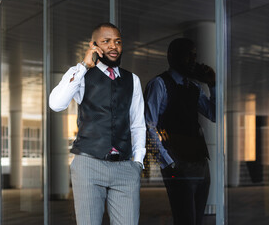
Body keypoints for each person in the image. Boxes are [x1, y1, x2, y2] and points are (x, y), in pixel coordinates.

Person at [49, 22, 146, 225]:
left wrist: (137, 162)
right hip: (89, 165)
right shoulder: (81, 74)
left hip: (125, 167)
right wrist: (84, 66)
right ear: (94, 45)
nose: (113, 46)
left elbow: (137, 124)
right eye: (106, 41)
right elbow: (56, 104)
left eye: (118, 42)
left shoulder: (132, 80)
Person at [144, 38, 216, 225]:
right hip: (177, 163)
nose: (193, 60)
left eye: (194, 56)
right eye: (188, 55)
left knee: (196, 220)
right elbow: (148, 126)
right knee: (185, 220)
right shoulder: (159, 84)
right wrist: (167, 163)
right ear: (172, 56)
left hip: (200, 163)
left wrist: (213, 85)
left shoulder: (194, 87)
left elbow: (214, 114)